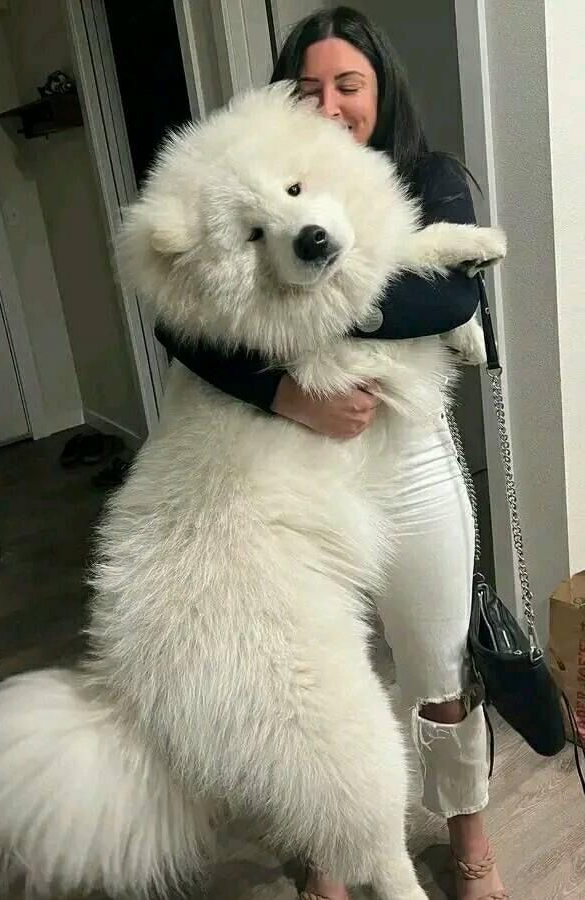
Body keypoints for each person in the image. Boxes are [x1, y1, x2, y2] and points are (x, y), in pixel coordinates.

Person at [155, 7, 506, 900]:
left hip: (412, 458)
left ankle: (469, 836)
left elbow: (449, 304)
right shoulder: (265, 174)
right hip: (300, 460)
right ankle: (329, 853)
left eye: (349, 84)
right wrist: (284, 391)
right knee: (314, 680)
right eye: (309, 88)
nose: (331, 104)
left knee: (434, 663)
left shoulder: (431, 176)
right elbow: (188, 328)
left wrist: (301, 305)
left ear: (379, 89)